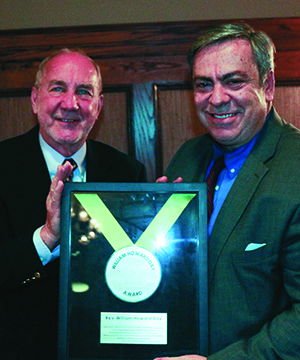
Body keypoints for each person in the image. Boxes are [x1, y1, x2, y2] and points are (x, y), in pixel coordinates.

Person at [156, 23, 300, 359]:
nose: (217, 98)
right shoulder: (186, 158)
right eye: (203, 84)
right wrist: (154, 228)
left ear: (268, 85)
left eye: (234, 81)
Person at [0, 48, 146, 360]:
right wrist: (46, 237)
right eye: (58, 89)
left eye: (84, 91)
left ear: (99, 105)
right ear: (35, 99)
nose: (71, 103)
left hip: (108, 348)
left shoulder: (127, 171)